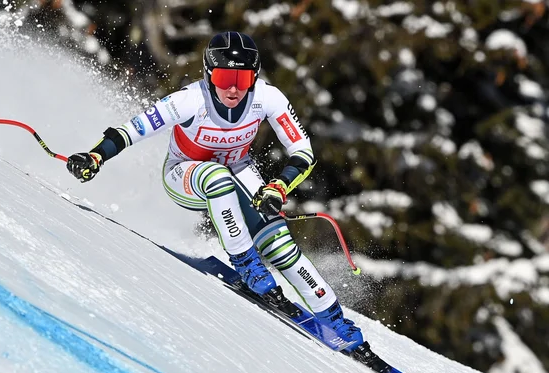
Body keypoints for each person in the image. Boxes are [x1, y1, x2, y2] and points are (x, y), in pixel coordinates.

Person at [67, 31, 365, 352]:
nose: (234, 88)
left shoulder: (268, 97)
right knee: (216, 175)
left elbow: (303, 151)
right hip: (184, 175)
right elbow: (132, 129)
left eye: (243, 77)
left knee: (281, 245)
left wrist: (278, 187)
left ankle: (335, 320)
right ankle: (247, 264)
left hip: (241, 174)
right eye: (224, 77)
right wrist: (96, 155)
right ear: (209, 74)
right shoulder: (190, 100)